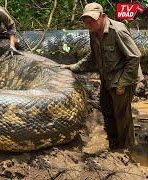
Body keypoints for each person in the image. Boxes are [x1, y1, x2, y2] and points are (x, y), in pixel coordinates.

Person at [61, 2, 141, 150]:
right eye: (86, 20)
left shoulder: (117, 31)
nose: (88, 23)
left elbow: (135, 57)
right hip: (107, 77)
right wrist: (73, 67)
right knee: (106, 109)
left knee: (121, 116)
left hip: (124, 77)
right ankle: (114, 146)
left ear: (103, 16)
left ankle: (126, 150)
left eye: (92, 19)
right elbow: (93, 56)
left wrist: (122, 83)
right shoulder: (93, 32)